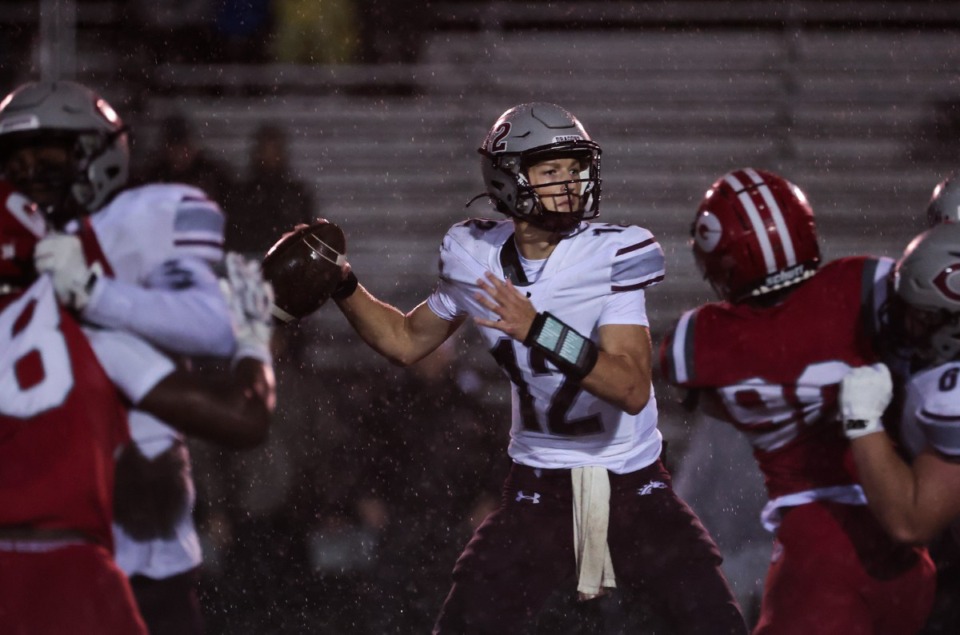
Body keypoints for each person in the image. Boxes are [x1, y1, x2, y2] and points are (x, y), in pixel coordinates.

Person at [324, 102, 746, 633]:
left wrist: (538, 328)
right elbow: (406, 340)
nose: (569, 184)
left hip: (634, 487)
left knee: (717, 626)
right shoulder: (473, 253)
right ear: (508, 179)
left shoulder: (614, 250)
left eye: (575, 169)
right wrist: (343, 285)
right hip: (538, 489)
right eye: (551, 171)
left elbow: (631, 386)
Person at [0, 80, 237, 635]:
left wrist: (94, 294)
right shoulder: (12, 237)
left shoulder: (147, 216)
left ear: (96, 152)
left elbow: (213, 326)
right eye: (17, 160)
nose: (30, 173)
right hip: (37, 527)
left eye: (48, 157)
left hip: (136, 543)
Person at [658, 167, 936, 634]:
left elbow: (671, 383)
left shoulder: (704, 338)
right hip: (905, 526)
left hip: (818, 542)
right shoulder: (864, 282)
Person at [840, 221, 960, 634]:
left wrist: (862, 422)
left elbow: (911, 522)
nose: (903, 323)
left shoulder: (951, 392)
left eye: (920, 315)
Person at [226, 122, 315, 256]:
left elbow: (308, 233)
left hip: (286, 264)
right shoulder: (242, 193)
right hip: (252, 265)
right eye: (266, 150)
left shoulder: (296, 194)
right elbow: (236, 235)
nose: (270, 156)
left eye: (275, 150)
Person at [139, 113, 235, 209]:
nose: (180, 154)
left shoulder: (212, 176)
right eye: (175, 148)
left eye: (185, 147)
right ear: (165, 150)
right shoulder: (156, 179)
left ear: (194, 147)